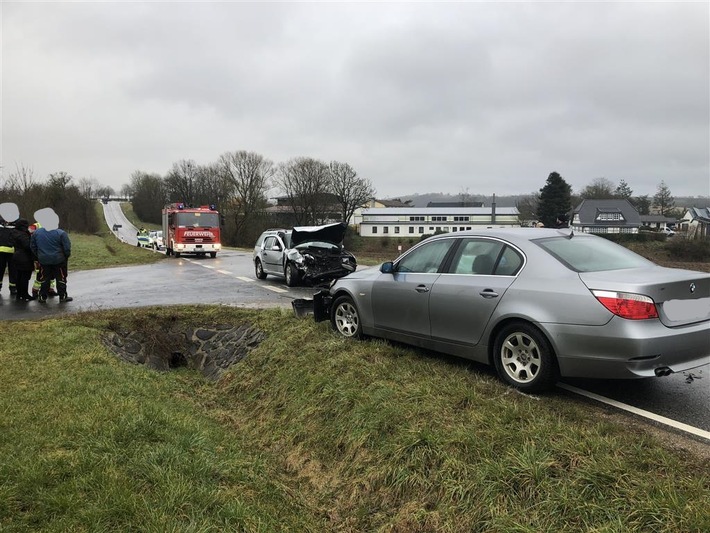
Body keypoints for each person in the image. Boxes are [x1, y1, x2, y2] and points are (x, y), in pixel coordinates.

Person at [30, 209, 73, 303]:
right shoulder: (61, 233)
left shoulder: (37, 233)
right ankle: (62, 296)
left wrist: (38, 255)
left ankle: (42, 296)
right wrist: (65, 256)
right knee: (61, 278)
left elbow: (32, 246)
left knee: (44, 278)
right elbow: (67, 248)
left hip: (44, 259)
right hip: (59, 260)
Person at [28, 222, 58, 298]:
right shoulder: (35, 225)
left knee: (52, 273)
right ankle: (35, 291)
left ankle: (50, 289)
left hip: (50, 253)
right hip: (40, 253)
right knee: (40, 274)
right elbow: (30, 237)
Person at [9, 219, 35, 301]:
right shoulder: (23, 235)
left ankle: (19, 294)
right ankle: (25, 295)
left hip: (17, 256)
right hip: (25, 258)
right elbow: (28, 246)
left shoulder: (14, 232)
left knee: (19, 277)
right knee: (25, 277)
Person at [0, 217, 18, 296]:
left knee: (13, 271)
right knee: (0, 270)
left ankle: (13, 287)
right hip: (2, 252)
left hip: (12, 252)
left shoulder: (16, 225)